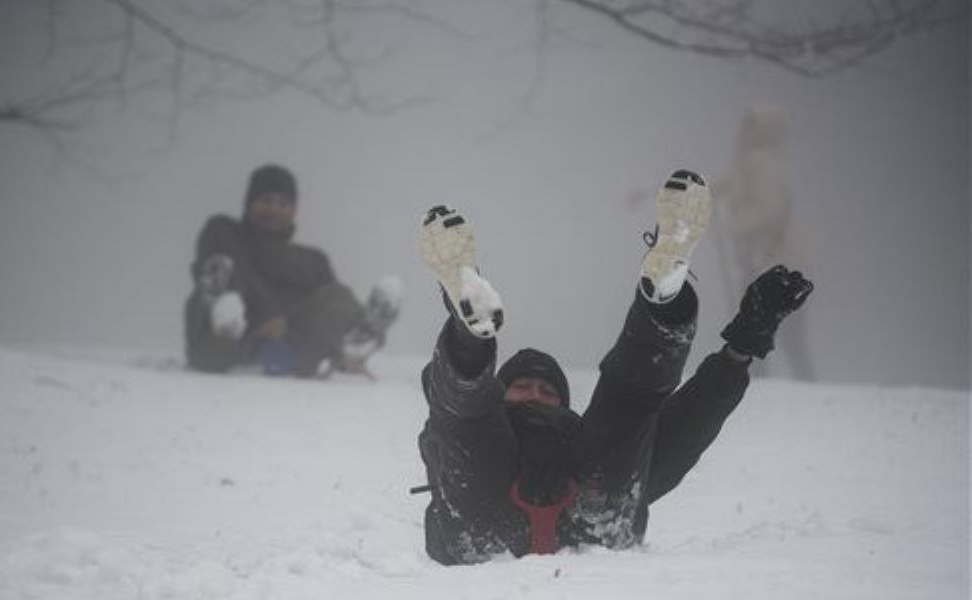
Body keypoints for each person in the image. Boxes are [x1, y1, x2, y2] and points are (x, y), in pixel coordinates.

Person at [414, 170, 813, 565]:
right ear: (501, 392)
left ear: (564, 404)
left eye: (547, 390)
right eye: (523, 386)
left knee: (630, 406)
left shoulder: (582, 439)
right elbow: (447, 421)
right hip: (484, 522)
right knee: (466, 416)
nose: (535, 394)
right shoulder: (483, 424)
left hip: (592, 514)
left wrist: (742, 347)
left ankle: (663, 297)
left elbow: (686, 426)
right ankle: (469, 327)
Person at [184, 163, 402, 378]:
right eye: (266, 201)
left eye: (283, 203)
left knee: (336, 296)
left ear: (294, 209)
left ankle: (357, 338)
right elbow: (231, 264)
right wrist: (265, 318)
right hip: (225, 341)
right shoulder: (227, 233)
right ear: (250, 204)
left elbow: (325, 313)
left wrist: (290, 330)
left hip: (290, 348)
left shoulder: (313, 261)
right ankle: (225, 306)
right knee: (223, 265)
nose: (274, 209)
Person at [713, 104, 817, 380]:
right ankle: (762, 380)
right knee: (768, 324)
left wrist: (734, 227)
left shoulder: (760, 164)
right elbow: (714, 187)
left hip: (769, 256)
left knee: (771, 323)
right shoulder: (749, 164)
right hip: (761, 257)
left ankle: (764, 381)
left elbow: (769, 211)